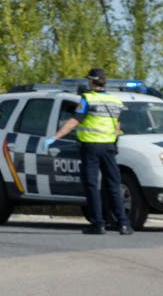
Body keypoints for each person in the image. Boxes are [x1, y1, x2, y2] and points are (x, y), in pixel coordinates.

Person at [43, 67, 133, 235]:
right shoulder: (115, 102)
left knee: (92, 185)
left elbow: (74, 121)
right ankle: (124, 224)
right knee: (113, 185)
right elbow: (117, 126)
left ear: (91, 81)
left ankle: (98, 224)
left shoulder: (87, 99)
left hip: (91, 147)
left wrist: (55, 137)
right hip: (109, 147)